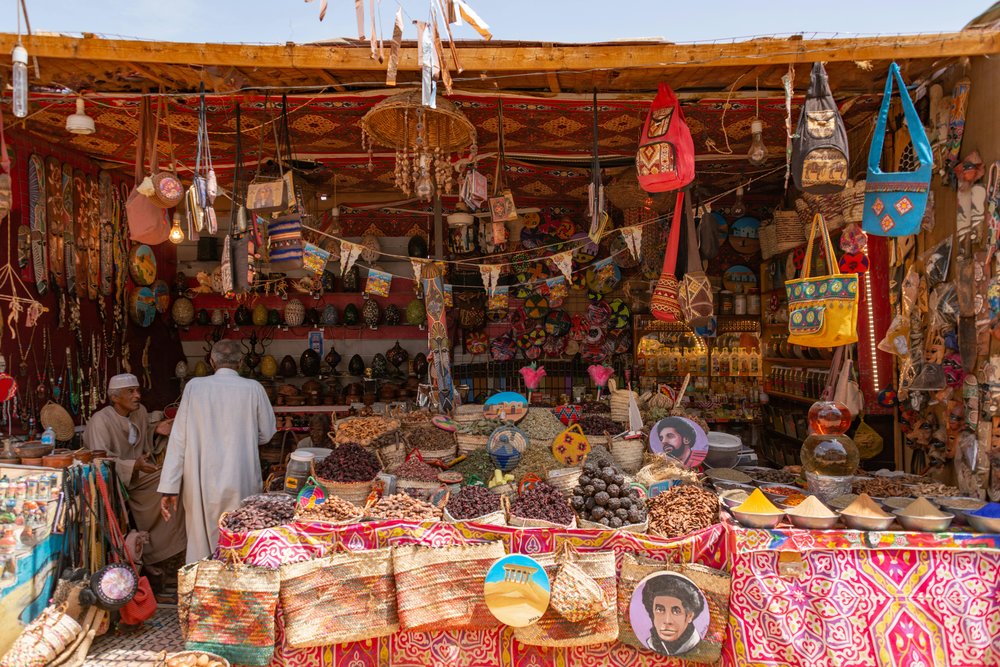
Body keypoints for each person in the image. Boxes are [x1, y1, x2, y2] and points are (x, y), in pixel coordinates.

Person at [158, 340, 277, 563]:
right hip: (241, 476)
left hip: (201, 480)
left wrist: (169, 488)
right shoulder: (253, 389)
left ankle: (204, 588)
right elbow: (268, 433)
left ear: (211, 361)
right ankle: (238, 590)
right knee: (241, 536)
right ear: (240, 362)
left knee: (203, 545)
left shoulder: (194, 387)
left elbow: (178, 439)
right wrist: (246, 438)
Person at [83, 374, 186, 567]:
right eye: (130, 392)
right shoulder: (100, 421)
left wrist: (155, 430)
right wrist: (133, 465)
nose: (137, 395)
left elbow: (141, 434)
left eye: (138, 390)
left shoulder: (140, 412)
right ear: (115, 397)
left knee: (176, 480)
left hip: (139, 474)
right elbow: (100, 461)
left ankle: (171, 551)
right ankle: (153, 554)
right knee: (167, 484)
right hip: (117, 481)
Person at [641, 574, 705, 656]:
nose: (667, 621)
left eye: (676, 611)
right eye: (660, 610)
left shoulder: (701, 650)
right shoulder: (648, 645)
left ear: (689, 616)